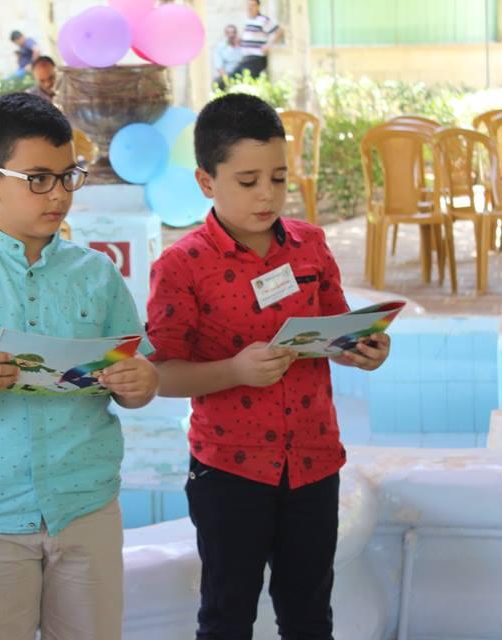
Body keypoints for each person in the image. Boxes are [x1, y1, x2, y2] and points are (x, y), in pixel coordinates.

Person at [0, 92, 159, 640]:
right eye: (38, 179)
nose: (58, 194)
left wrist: (140, 382)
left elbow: (135, 383)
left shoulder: (98, 275)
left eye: (68, 177)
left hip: (85, 508)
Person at [146, 93, 391, 640]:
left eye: (278, 178)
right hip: (230, 471)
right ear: (206, 181)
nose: (267, 194)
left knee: (310, 618)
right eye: (248, 180)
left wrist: (364, 349)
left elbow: (336, 332)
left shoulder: (309, 245)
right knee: (226, 618)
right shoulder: (182, 265)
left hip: (313, 461)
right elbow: (160, 374)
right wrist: (234, 371)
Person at [232, 0, 282, 79]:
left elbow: (278, 32)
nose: (250, 7)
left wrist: (268, 45)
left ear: (258, 7)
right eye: (249, 5)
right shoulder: (248, 20)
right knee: (234, 77)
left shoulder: (263, 20)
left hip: (256, 57)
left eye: (253, 5)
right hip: (246, 57)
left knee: (243, 79)